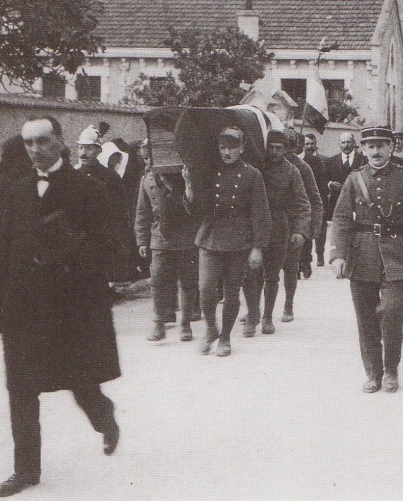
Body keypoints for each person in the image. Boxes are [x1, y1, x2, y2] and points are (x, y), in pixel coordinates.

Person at [0, 116, 121, 498]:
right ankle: (25, 470)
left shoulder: (88, 189)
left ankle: (102, 414)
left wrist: (69, 252)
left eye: (43, 141)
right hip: (22, 306)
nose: (35, 150)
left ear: (60, 141)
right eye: (28, 143)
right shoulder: (13, 189)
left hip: (71, 306)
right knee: (21, 389)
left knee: (79, 378)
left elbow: (109, 244)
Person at [328, 126, 403, 393]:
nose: (376, 151)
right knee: (365, 317)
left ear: (391, 148)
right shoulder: (354, 179)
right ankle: (373, 373)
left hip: (396, 254)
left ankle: (392, 369)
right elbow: (340, 218)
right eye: (370, 146)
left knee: (392, 311)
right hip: (361, 254)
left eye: (381, 146)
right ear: (363, 149)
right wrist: (337, 254)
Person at [189, 127, 271, 357]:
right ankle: (210, 329)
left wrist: (257, 247)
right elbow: (197, 207)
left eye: (232, 147)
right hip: (210, 237)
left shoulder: (252, 175)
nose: (227, 152)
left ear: (242, 149)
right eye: (222, 147)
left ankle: (225, 337)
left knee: (232, 292)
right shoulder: (209, 171)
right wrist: (189, 184)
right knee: (205, 289)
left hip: (239, 241)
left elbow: (260, 213)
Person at [242, 130, 310, 336]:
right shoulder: (257, 166)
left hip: (278, 227)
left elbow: (302, 202)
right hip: (254, 226)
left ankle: (267, 318)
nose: (274, 151)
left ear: (286, 149)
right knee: (250, 274)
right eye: (270, 147)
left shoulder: (292, 172)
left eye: (278, 148)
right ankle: (253, 314)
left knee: (271, 275)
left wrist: (300, 230)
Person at [135, 164, 201, 342]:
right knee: (157, 281)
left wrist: (187, 181)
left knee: (188, 282)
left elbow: (194, 205)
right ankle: (159, 323)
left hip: (186, 237)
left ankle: (185, 324)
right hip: (160, 238)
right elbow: (142, 211)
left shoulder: (185, 174)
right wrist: (142, 240)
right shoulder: (148, 178)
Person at [74, 126, 135, 283]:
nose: (83, 153)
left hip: (102, 240)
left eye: (88, 148)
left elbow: (121, 212)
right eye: (80, 148)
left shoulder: (110, 177)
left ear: (98, 151)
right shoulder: (72, 176)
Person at [282, 128, 322, 313]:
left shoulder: (303, 168)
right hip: (273, 223)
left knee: (291, 268)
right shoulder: (267, 165)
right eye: (285, 144)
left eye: (291, 145)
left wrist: (312, 227)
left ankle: (288, 304)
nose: (287, 149)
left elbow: (314, 199)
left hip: (294, 224)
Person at [300, 132, 329, 268]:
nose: (309, 146)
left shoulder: (319, 161)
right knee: (305, 231)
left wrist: (322, 205)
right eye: (307, 144)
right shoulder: (296, 161)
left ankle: (320, 255)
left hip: (315, 200)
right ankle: (306, 261)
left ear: (316, 145)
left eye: (312, 144)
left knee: (318, 230)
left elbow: (322, 185)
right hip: (302, 201)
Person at [324, 131, 367, 223]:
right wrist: (330, 184)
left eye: (349, 142)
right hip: (336, 203)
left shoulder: (363, 160)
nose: (346, 145)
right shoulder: (330, 161)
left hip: (358, 203)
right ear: (339, 144)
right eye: (343, 142)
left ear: (354, 143)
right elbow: (323, 179)